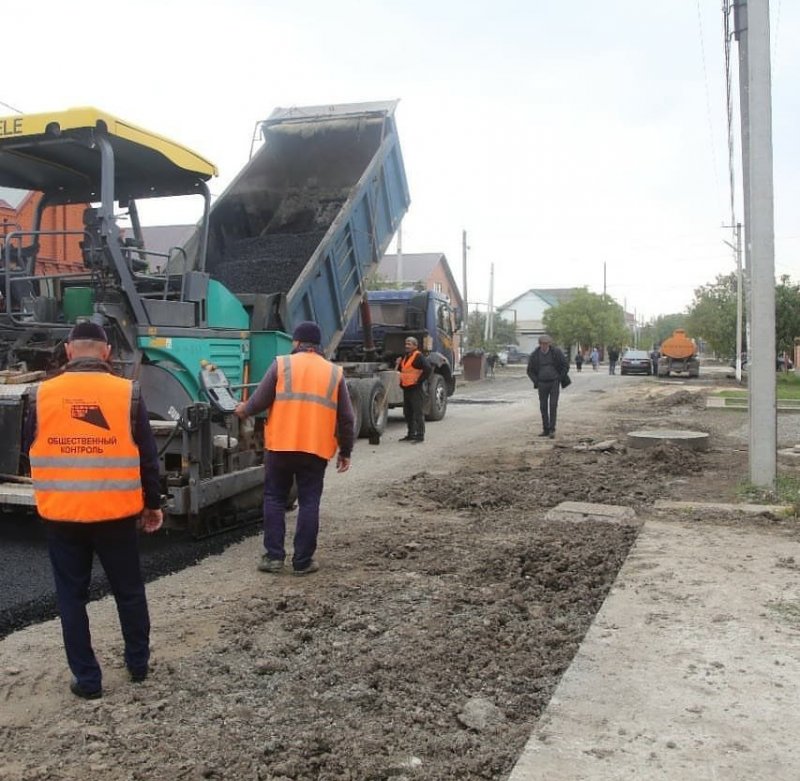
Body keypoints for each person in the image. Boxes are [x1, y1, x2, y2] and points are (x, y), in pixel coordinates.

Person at [22, 321, 163, 700]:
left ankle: (87, 680)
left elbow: (29, 449)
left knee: (71, 597)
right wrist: (153, 504)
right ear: (106, 353)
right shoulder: (127, 394)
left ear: (68, 351)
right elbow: (148, 458)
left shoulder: (40, 395)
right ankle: (137, 666)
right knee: (129, 591)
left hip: (62, 516)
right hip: (116, 514)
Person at [234, 321, 355, 576]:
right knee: (309, 501)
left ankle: (273, 557)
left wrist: (242, 410)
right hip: (315, 450)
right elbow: (347, 418)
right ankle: (302, 561)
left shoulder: (282, 364)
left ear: (298, 343)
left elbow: (259, 401)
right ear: (317, 345)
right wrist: (346, 451)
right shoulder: (334, 372)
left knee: (275, 498)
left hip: (281, 446)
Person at [526, 334, 570, 439]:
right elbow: (529, 371)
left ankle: (552, 429)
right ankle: (545, 429)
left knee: (553, 405)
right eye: (543, 344)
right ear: (539, 344)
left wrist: (560, 378)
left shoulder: (556, 352)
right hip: (542, 383)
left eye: (547, 344)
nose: (545, 346)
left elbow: (565, 365)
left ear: (549, 344)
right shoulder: (535, 355)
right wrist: (536, 381)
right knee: (543, 406)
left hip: (554, 382)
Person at [396, 336, 432, 443]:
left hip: (415, 388)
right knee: (408, 412)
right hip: (406, 387)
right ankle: (411, 434)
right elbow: (403, 370)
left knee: (417, 412)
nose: (407, 346)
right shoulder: (405, 357)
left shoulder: (419, 356)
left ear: (415, 346)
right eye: (406, 344)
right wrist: (397, 364)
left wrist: (419, 380)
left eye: (409, 344)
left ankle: (420, 435)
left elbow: (428, 369)